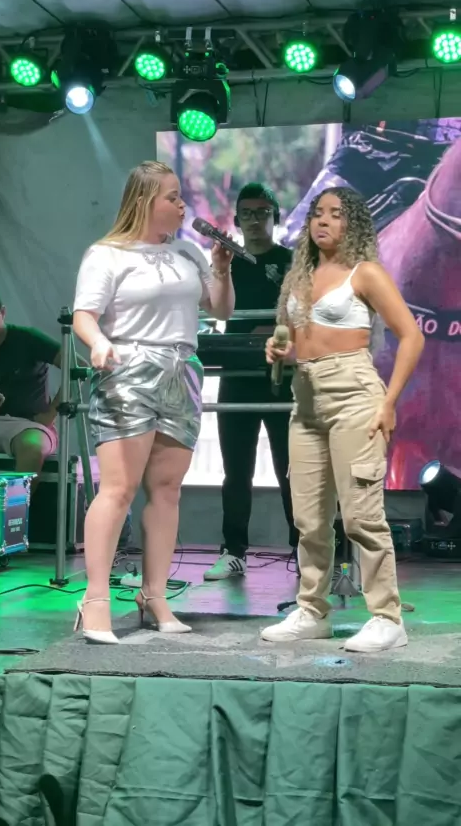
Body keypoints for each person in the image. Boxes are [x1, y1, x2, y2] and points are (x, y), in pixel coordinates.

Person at [72, 160, 234, 644]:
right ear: (145, 201)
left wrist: (222, 268)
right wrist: (99, 343)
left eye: (181, 195)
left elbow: (220, 309)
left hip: (182, 368)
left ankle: (155, 594)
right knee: (119, 488)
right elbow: (85, 316)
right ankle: (95, 598)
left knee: (167, 489)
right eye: (172, 196)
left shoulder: (187, 251)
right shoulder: (107, 254)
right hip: (130, 369)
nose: (182, 205)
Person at [261, 186, 424, 653]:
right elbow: (302, 343)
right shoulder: (300, 276)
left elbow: (412, 336)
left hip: (354, 395)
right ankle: (312, 611)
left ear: (352, 223)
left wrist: (388, 401)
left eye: (335, 214)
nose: (323, 220)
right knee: (309, 518)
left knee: (360, 516)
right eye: (318, 212)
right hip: (306, 399)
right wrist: (281, 350)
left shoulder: (364, 272)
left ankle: (387, 618)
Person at [204, 183, 297, 581]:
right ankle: (233, 551)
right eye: (247, 214)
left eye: (262, 213)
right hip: (236, 375)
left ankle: (304, 549)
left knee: (291, 470)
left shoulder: (293, 262)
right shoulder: (226, 262)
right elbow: (213, 309)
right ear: (237, 220)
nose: (255, 221)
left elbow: (306, 315)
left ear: (276, 216)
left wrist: (276, 331)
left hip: (281, 377)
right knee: (236, 470)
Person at [0, 287, 61, 489]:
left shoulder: (27, 338)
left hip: (28, 425)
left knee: (33, 446)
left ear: (3, 313)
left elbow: (77, 369)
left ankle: (15, 508)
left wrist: (50, 414)